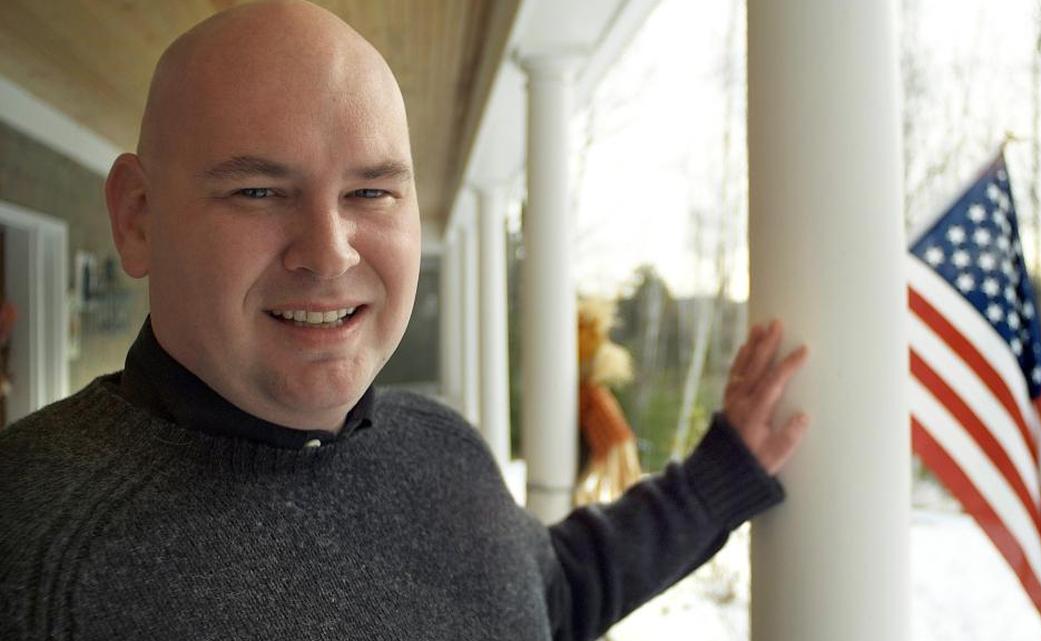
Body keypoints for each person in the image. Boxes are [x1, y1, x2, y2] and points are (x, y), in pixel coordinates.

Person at [0, 2, 811, 639]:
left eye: (371, 191)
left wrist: (718, 474)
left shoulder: (441, 444)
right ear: (138, 218)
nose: (329, 252)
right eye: (258, 191)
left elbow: (546, 596)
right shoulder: (31, 546)